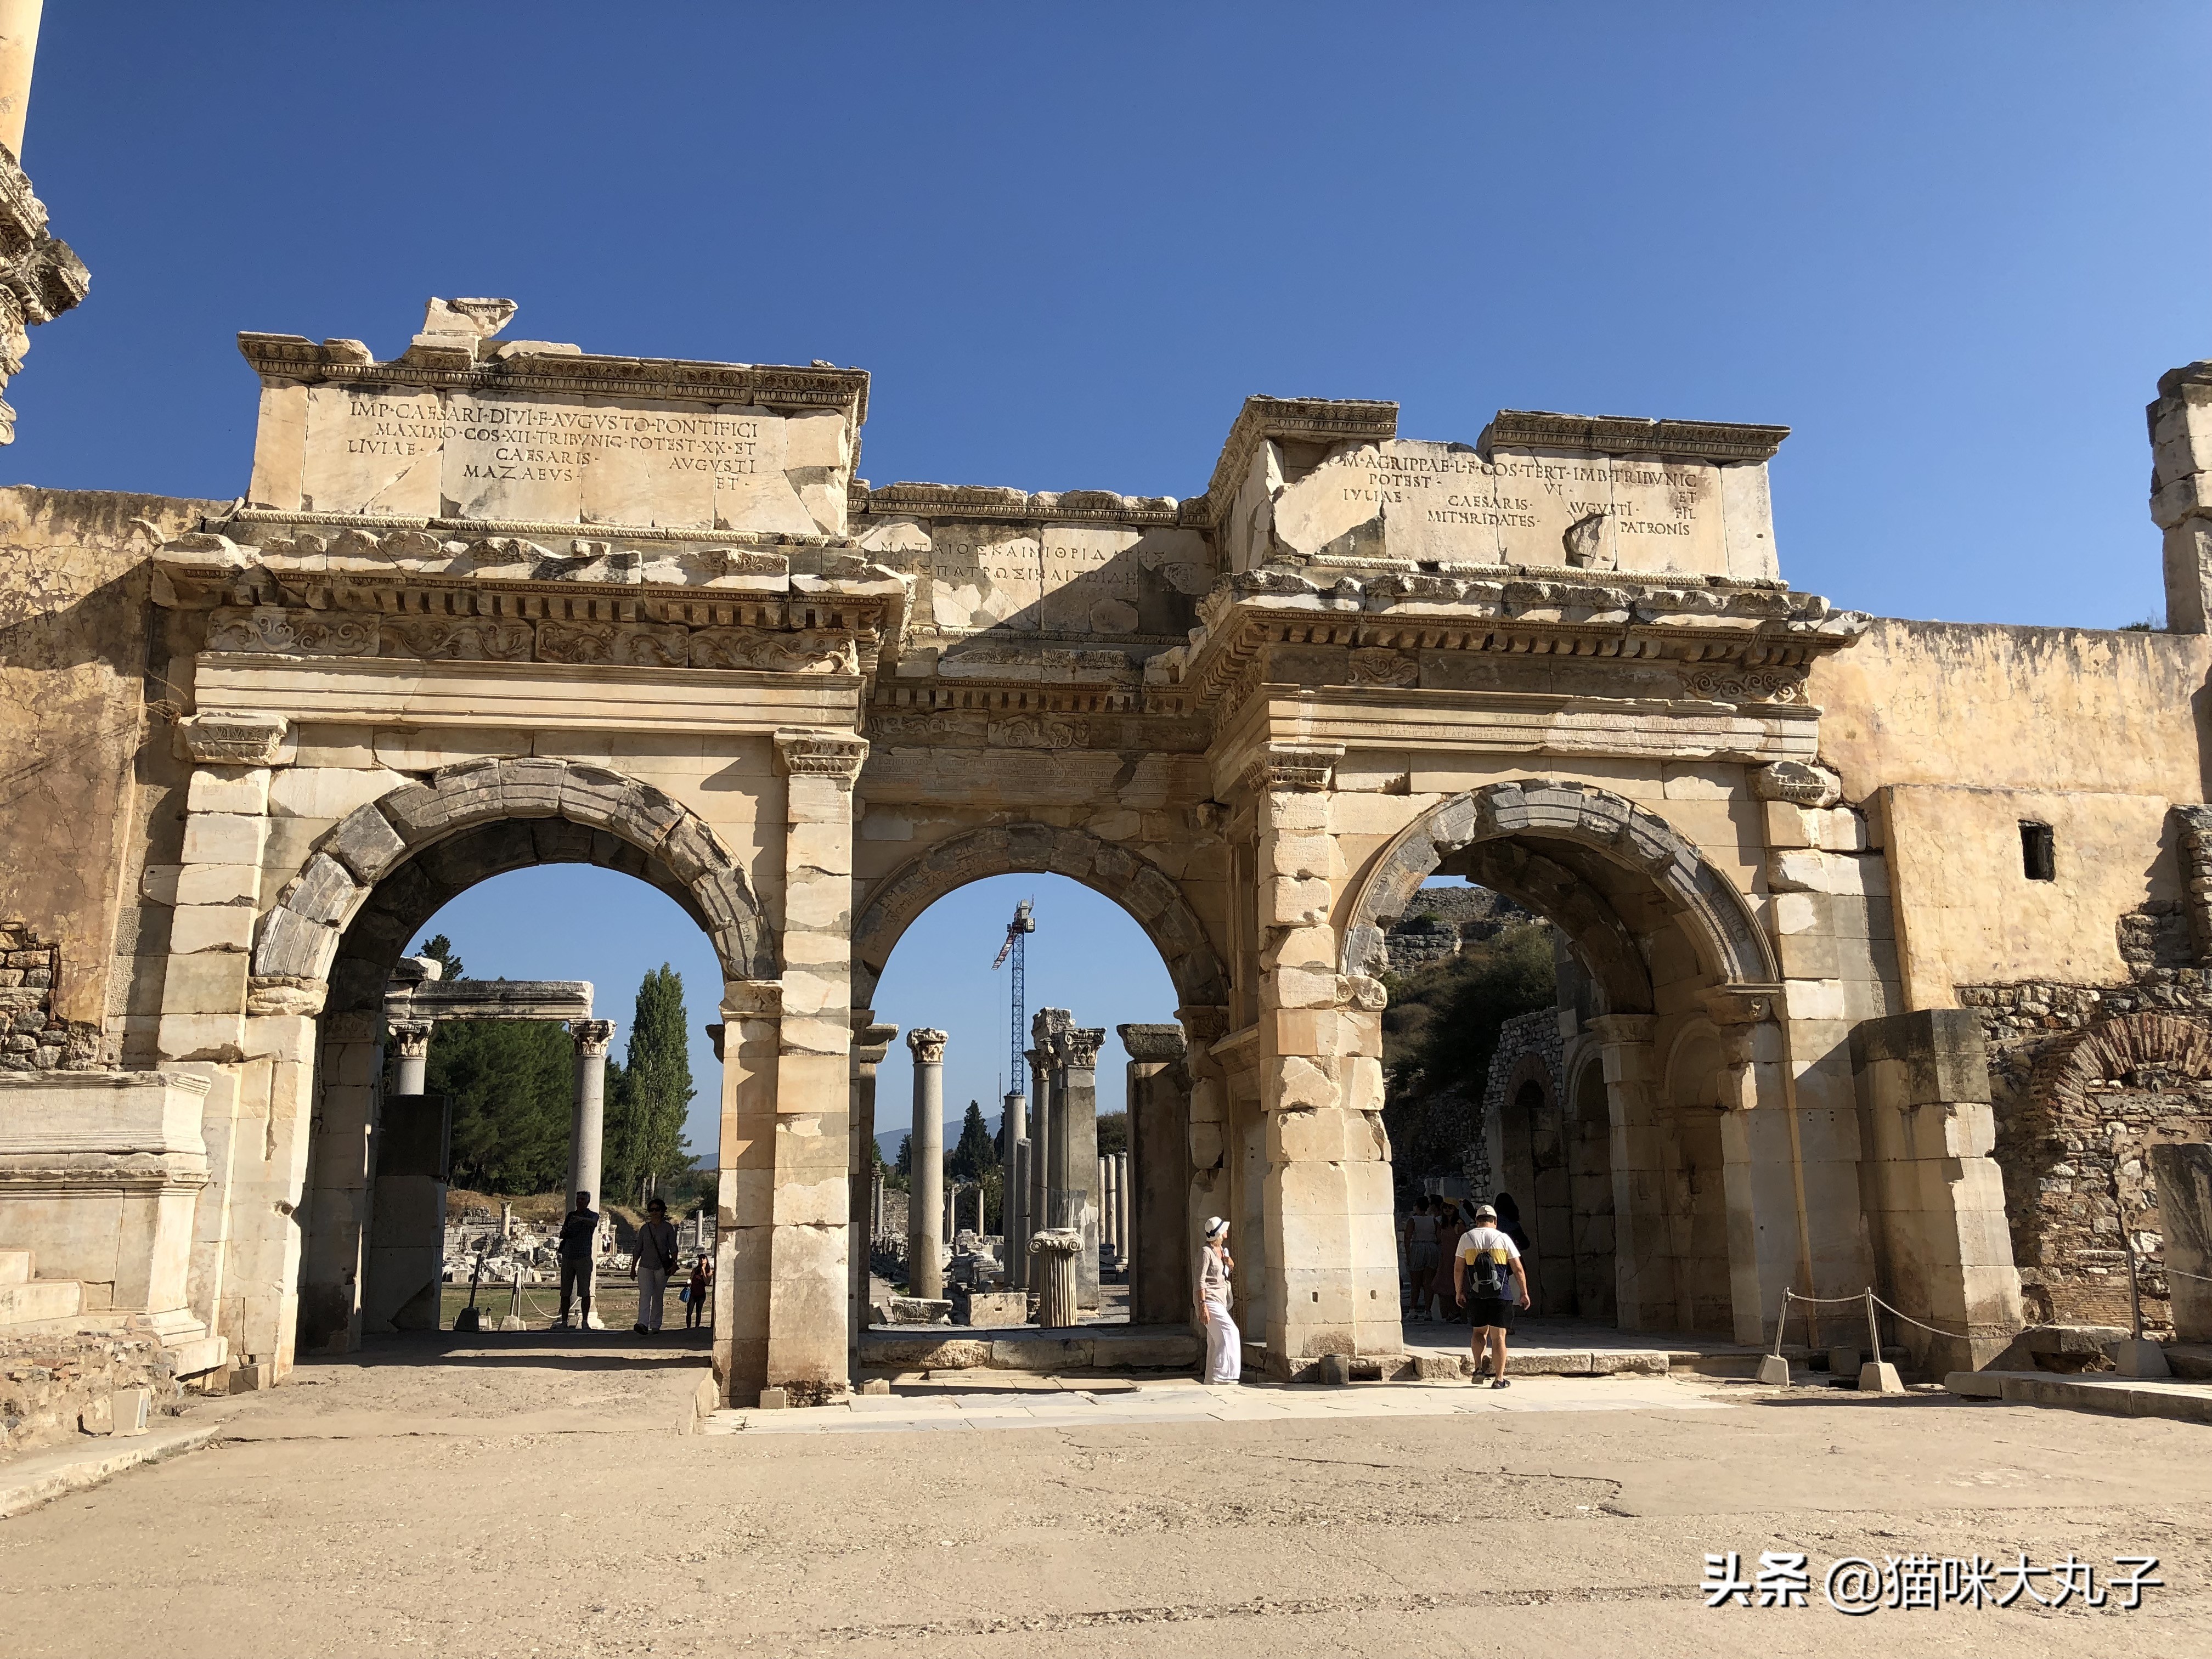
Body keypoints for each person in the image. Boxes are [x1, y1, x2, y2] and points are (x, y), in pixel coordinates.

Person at [1454, 1201, 1531, 1387]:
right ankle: (1499, 1378)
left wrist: (1459, 1292)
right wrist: (1524, 1293)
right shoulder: (1503, 1238)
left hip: (1476, 1293)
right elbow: (1518, 1268)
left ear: (1477, 1220)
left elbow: (1458, 1268)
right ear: (1495, 1221)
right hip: (1500, 1294)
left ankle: (1479, 1369)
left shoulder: (1466, 1238)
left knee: (1479, 1333)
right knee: (1499, 1337)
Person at [1194, 1215, 1240, 1384]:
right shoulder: (1205, 1252)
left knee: (1214, 1339)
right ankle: (1224, 1375)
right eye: (1225, 1230)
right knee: (1230, 1332)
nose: (1227, 1232)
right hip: (1209, 1300)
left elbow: (1225, 1274)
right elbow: (1200, 1280)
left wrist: (1231, 1265)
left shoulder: (1224, 1252)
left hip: (1221, 1300)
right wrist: (1202, 1305)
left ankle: (1211, 1379)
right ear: (1220, 1233)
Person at [634, 1197, 679, 1334]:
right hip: (645, 1265)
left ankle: (655, 1324)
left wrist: (674, 1264)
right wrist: (632, 1267)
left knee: (658, 1295)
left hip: (661, 1266)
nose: (654, 1213)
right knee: (645, 1295)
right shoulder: (644, 1229)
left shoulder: (668, 1228)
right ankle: (642, 1323)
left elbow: (673, 1247)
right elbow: (638, 1248)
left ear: (663, 1211)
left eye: (657, 1210)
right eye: (652, 1210)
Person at [556, 1190, 599, 1330]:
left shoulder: (592, 1215)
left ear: (587, 1202)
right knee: (565, 1291)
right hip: (568, 1255)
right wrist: (564, 1233)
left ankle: (585, 1320)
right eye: (578, 1199)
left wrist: (580, 1219)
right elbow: (565, 1231)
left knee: (584, 1290)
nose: (579, 1201)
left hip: (583, 1256)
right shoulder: (570, 1216)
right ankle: (564, 1321)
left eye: (582, 1199)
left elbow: (593, 1223)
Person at [1493, 1191, 1536, 1312]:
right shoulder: (1514, 1225)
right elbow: (1525, 1244)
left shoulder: (1494, 1225)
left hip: (1497, 1262)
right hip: (1513, 1261)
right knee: (1512, 1294)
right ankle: (1509, 1322)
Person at [1402, 1197, 1439, 1319]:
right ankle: (1428, 1311)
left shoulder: (1413, 1220)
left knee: (1416, 1281)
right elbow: (1439, 1237)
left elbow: (1408, 1237)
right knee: (1428, 1282)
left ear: (1417, 1206)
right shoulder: (1433, 1220)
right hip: (1431, 1247)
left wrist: (1408, 1253)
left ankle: (1413, 1309)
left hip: (1418, 1247)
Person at [1429, 1199, 1465, 1322]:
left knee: (1457, 1287)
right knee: (1442, 1287)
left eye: (1451, 1207)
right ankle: (1451, 1312)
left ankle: (1459, 1313)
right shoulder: (1442, 1224)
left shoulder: (1459, 1224)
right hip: (1445, 1260)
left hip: (1456, 1260)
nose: (1448, 1209)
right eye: (1446, 1207)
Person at [684, 1251, 712, 1330]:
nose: (702, 1260)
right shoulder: (696, 1270)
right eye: (700, 1259)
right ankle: (688, 1328)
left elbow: (707, 1283)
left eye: (703, 1258)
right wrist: (689, 1283)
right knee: (689, 1311)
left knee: (698, 1311)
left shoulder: (709, 1271)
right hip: (693, 1293)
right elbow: (691, 1279)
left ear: (706, 1260)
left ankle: (697, 1327)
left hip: (701, 1294)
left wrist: (703, 1272)